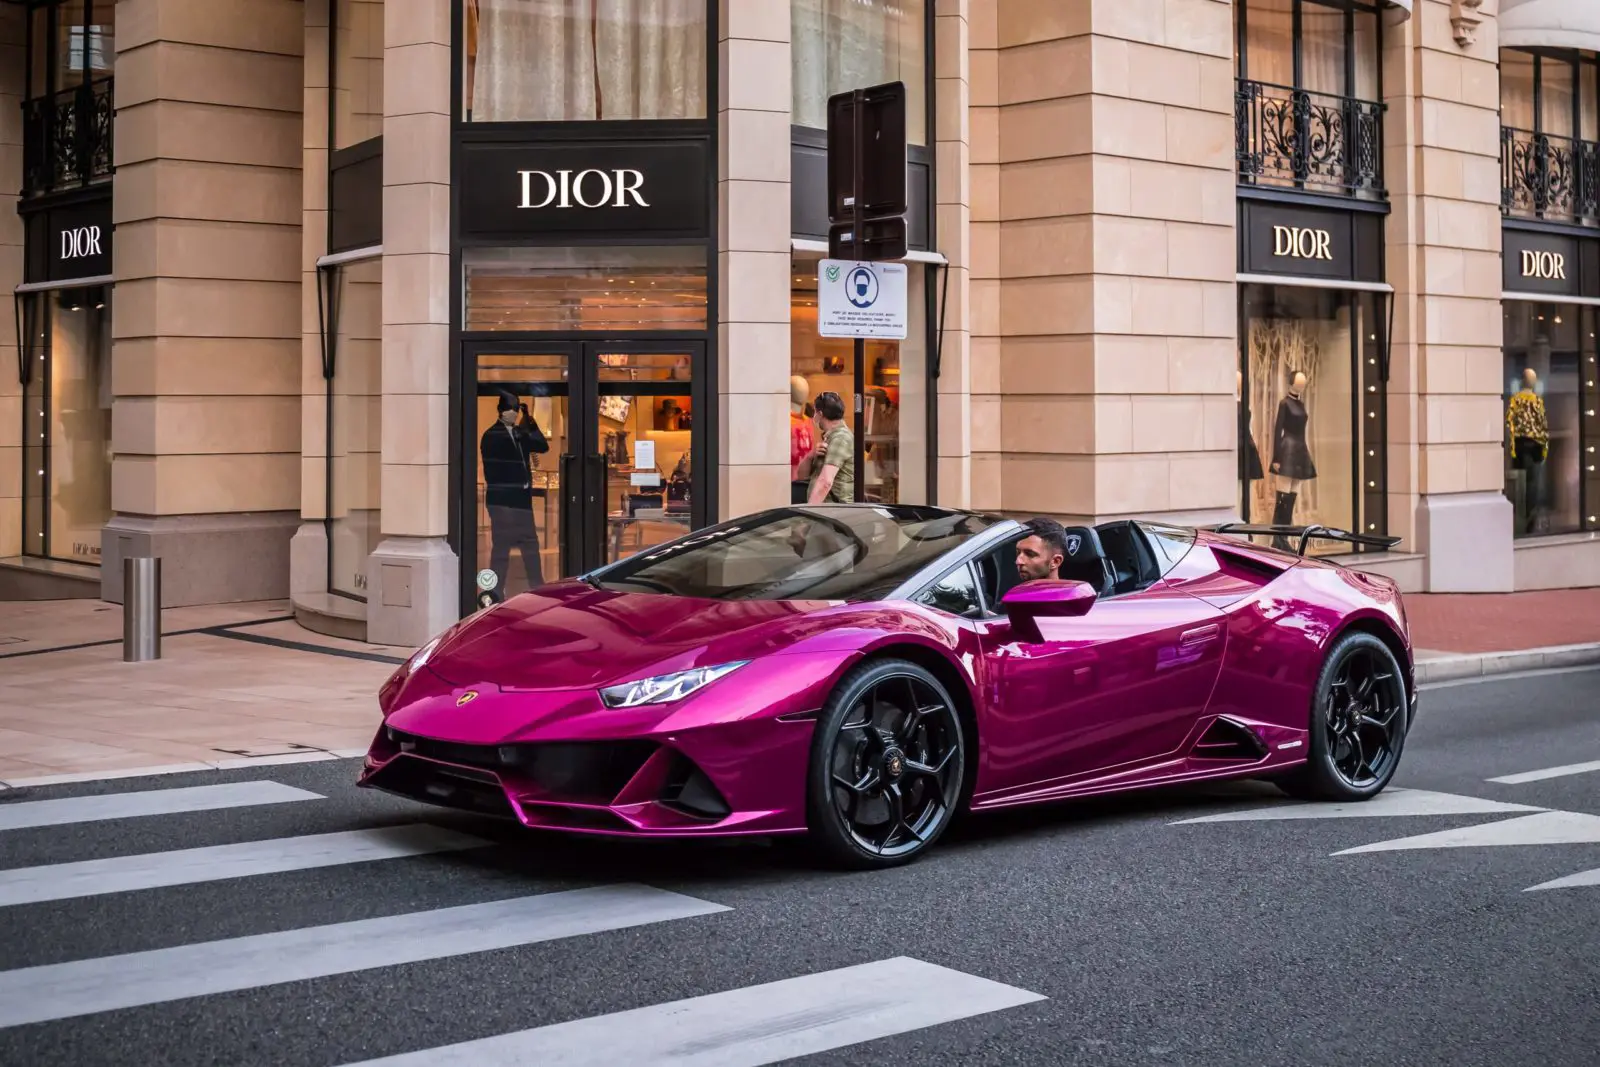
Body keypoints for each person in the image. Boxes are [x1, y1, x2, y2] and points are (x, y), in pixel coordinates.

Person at [480, 389, 549, 594]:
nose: (513, 413)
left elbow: (542, 446)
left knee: (531, 546)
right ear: (501, 410)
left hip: (522, 500)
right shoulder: (491, 435)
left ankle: (537, 587)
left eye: (516, 409)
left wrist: (529, 419)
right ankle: (494, 591)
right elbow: (493, 471)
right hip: (503, 501)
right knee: (501, 547)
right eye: (510, 409)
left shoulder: (521, 433)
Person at [804, 390, 855, 504]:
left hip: (833, 512)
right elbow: (801, 475)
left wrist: (810, 511)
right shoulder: (830, 438)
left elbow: (825, 482)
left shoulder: (840, 439)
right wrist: (810, 456)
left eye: (815, 412)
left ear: (820, 414)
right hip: (826, 511)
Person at [1015, 517, 1069, 581]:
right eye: (1018, 553)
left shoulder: (1070, 591)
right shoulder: (1015, 590)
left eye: (1030, 554)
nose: (1018, 561)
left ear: (1055, 561)